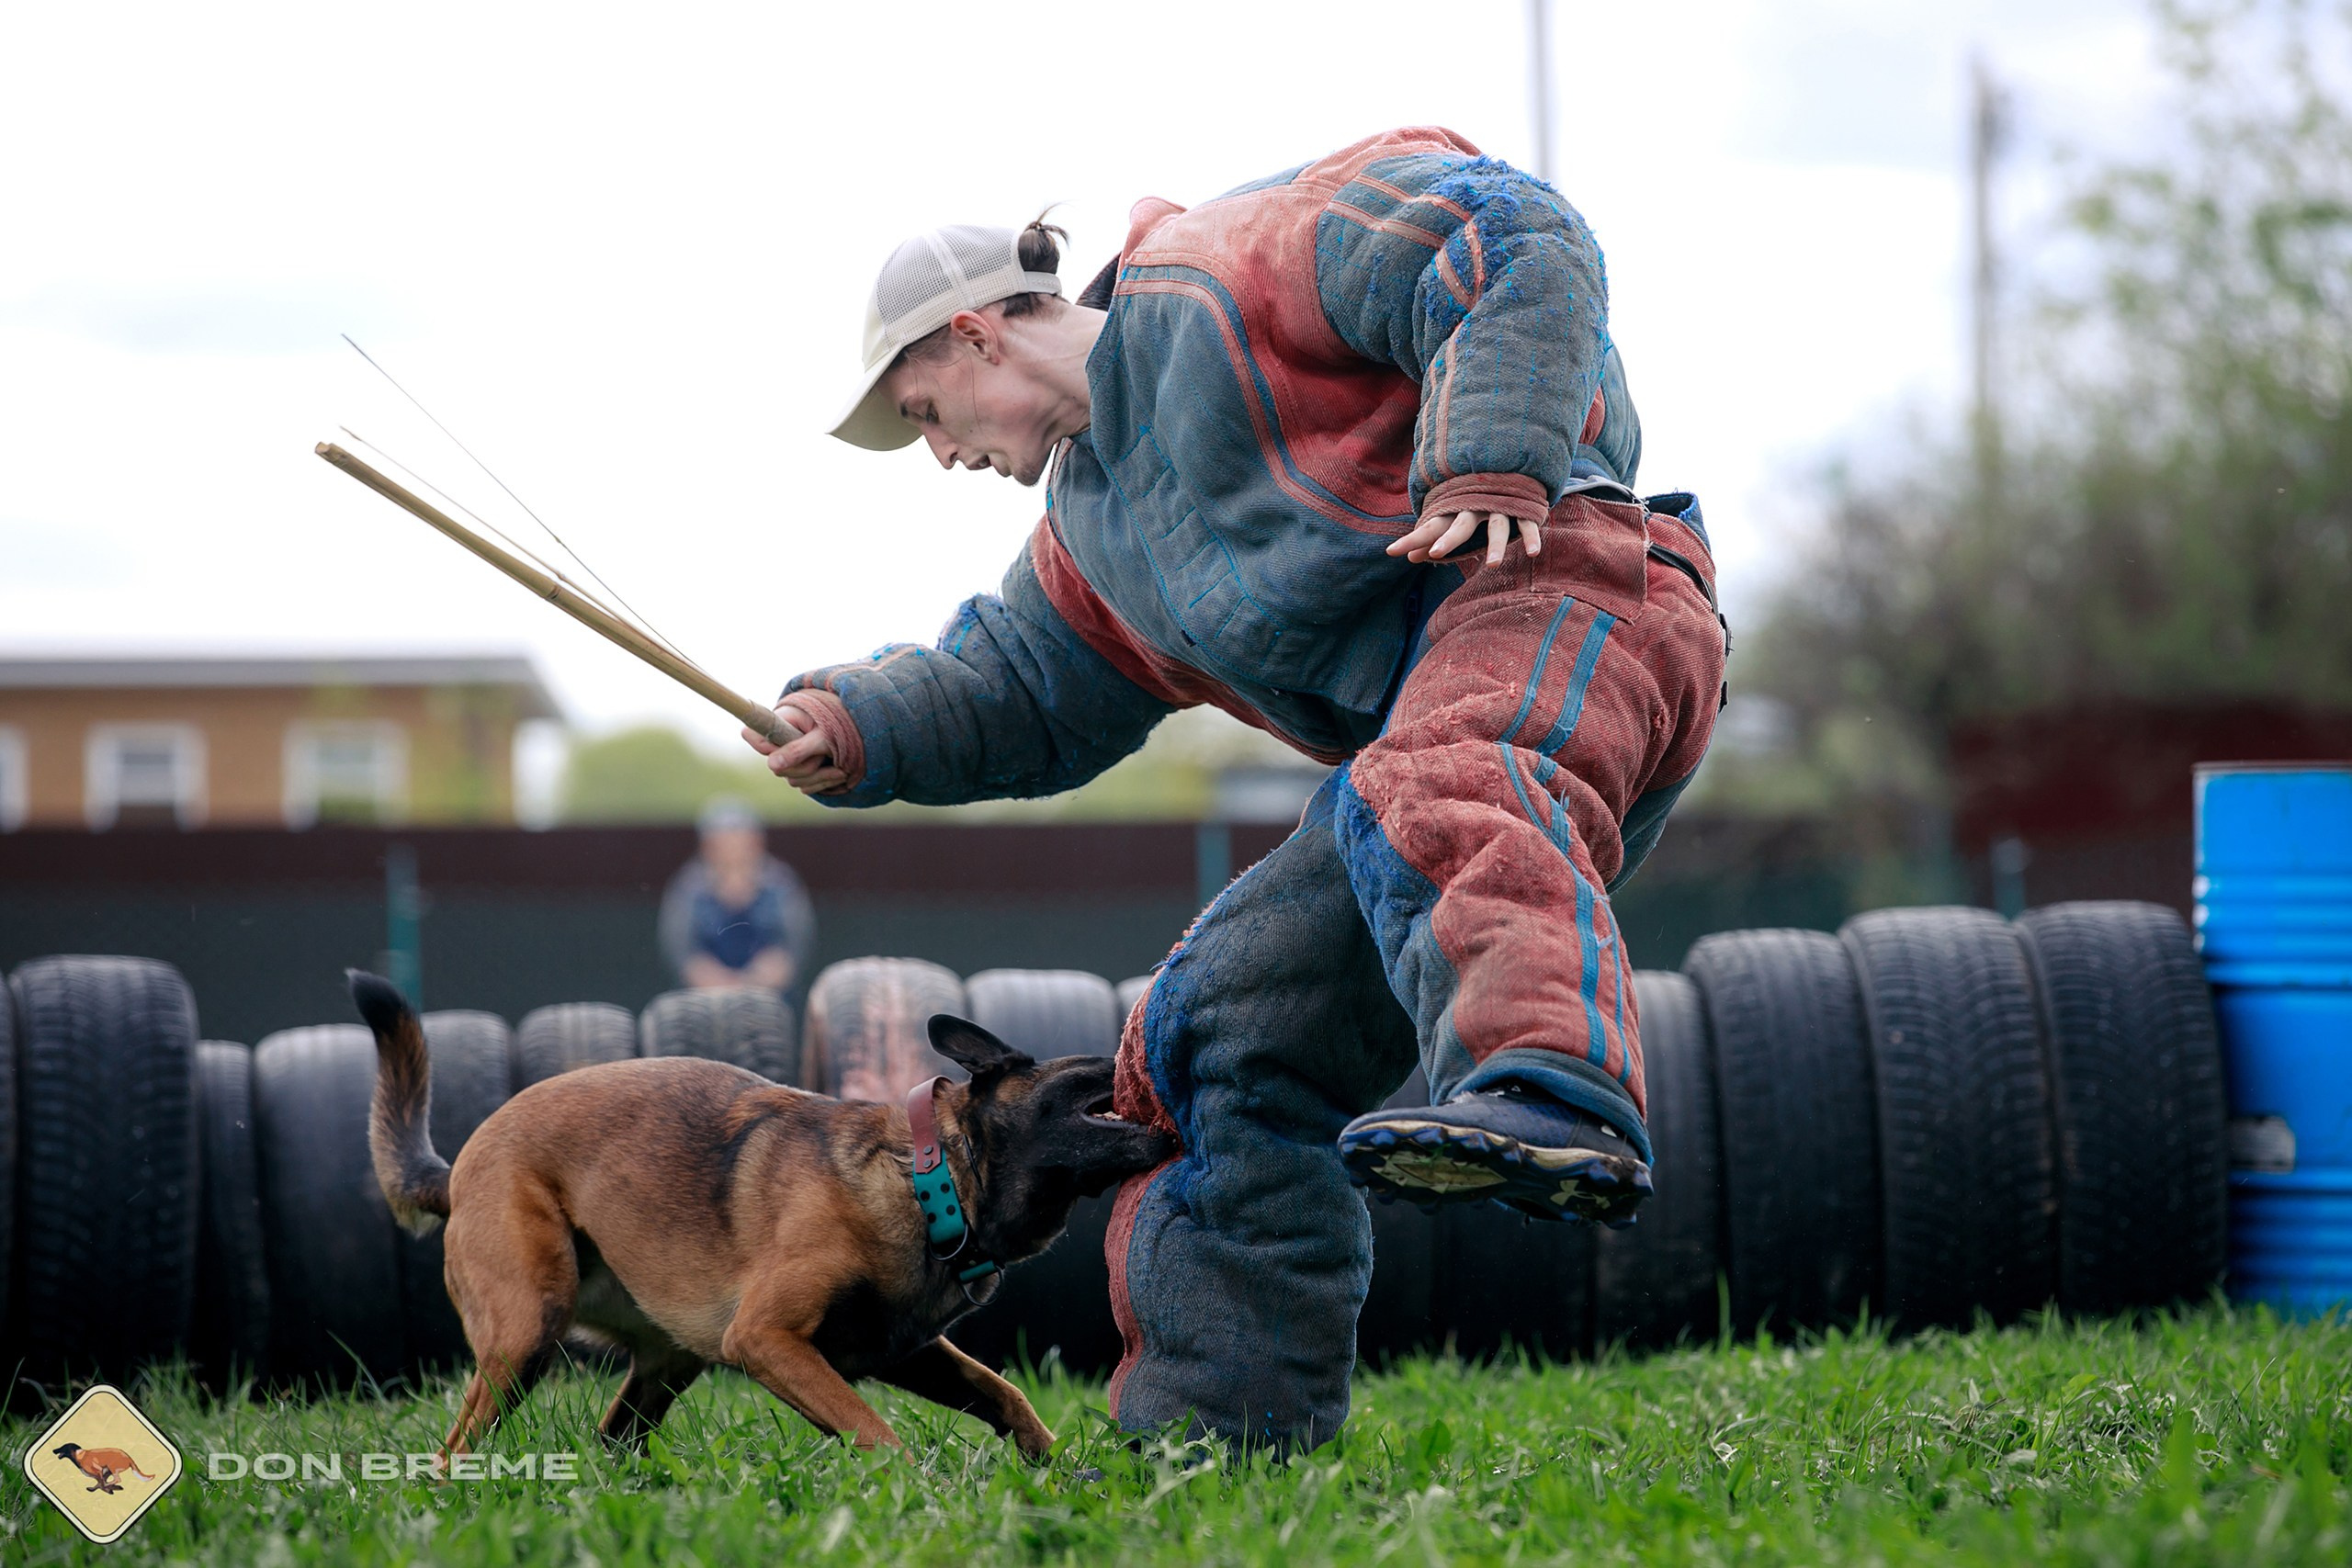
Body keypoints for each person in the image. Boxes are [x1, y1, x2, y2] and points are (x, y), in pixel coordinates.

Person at [746, 128, 1726, 1450]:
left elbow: (1504, 234)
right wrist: (854, 726)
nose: (939, 454)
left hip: (1577, 586)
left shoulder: (1219, 266)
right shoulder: (1094, 538)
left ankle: (1547, 1077)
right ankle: (1219, 1443)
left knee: (1435, 775)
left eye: (924, 412)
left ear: (978, 332)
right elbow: (1019, 687)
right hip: (1417, 794)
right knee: (1216, 1032)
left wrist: (1492, 448)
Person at [657, 796, 817, 1002]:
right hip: (704, 1004)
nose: (733, 846)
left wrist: (761, 978)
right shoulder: (689, 888)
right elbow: (681, 951)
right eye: (724, 838)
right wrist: (715, 981)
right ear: (707, 845)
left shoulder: (780, 884)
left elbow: (794, 944)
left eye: (739, 837)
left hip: (770, 1003)